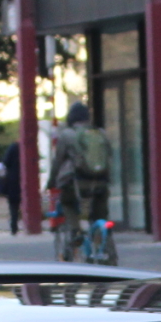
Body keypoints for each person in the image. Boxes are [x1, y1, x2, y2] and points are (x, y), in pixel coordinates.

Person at [46, 102, 112, 245]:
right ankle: (103, 235)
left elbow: (58, 161)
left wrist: (51, 182)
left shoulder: (67, 135)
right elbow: (109, 156)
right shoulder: (100, 133)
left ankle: (76, 231)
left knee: (67, 203)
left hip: (76, 182)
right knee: (99, 208)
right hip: (100, 181)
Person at [0, 136, 22, 235]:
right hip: (23, 178)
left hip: (13, 180)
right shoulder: (26, 147)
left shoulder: (13, 147)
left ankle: (14, 226)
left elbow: (5, 162)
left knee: (13, 205)